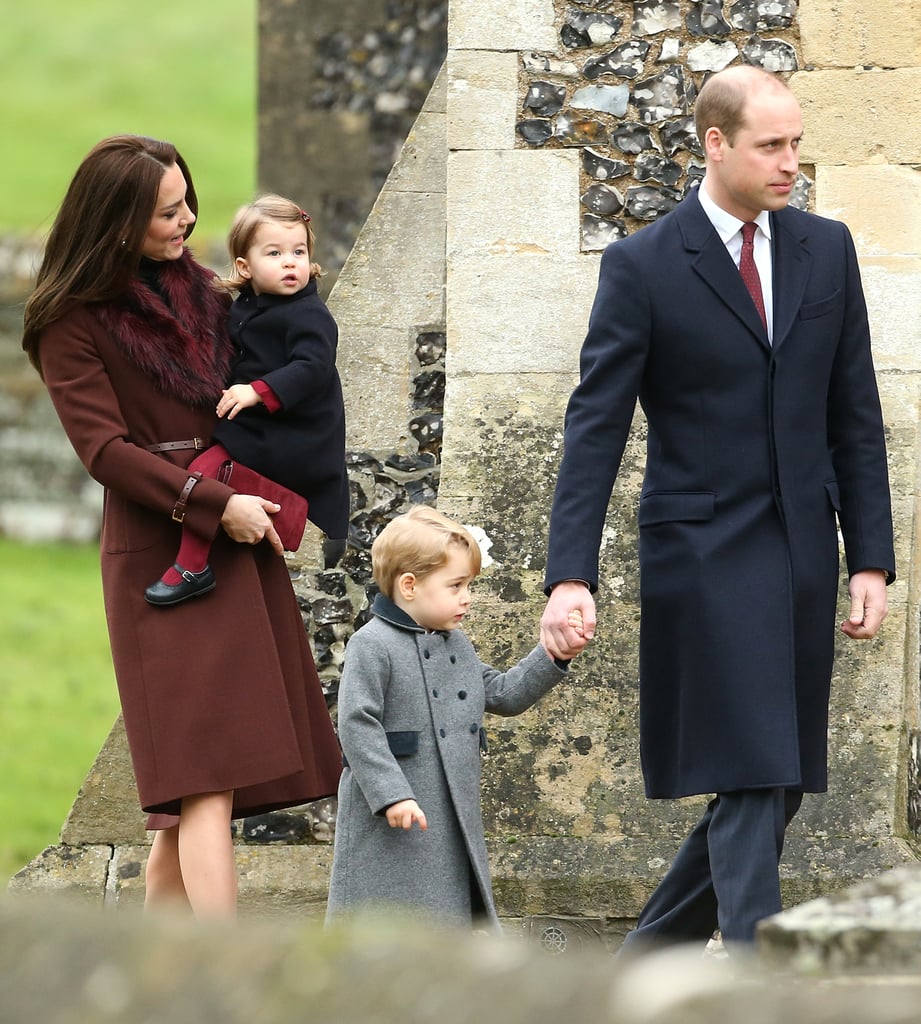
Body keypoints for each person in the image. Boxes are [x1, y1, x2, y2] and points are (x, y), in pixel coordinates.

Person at [539, 65, 895, 949]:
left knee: (774, 779)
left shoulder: (827, 248)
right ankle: (754, 982)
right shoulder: (643, 265)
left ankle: (632, 972)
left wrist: (870, 558)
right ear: (715, 144)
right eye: (770, 146)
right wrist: (568, 574)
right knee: (750, 766)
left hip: (803, 553)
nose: (789, 163)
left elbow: (853, 411)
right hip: (700, 554)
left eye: (795, 144)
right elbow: (596, 424)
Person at [21, 135, 342, 917]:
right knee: (202, 778)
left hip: (237, 531)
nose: (189, 220)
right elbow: (104, 452)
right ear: (117, 218)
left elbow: (288, 360)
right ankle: (225, 975)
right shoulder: (69, 322)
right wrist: (213, 507)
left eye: (188, 202)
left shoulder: (205, 290)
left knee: (205, 781)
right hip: (160, 550)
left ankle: (150, 975)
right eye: (168, 211)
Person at [326, 506, 574, 929]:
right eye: (456, 585)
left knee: (443, 925)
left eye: (469, 585)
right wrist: (392, 794)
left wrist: (553, 653)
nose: (467, 597)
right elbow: (356, 723)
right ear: (409, 586)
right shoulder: (372, 644)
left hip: (448, 810)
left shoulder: (456, 644)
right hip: (394, 812)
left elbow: (502, 694)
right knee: (378, 926)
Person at [144, 194, 349, 606]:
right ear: (244, 266)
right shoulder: (248, 307)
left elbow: (313, 366)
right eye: (274, 253)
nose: (291, 262)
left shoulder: (309, 314)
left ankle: (193, 566)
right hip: (264, 425)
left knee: (206, 474)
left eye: (299, 251)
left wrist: (256, 391)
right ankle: (211, 551)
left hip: (295, 429)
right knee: (209, 472)